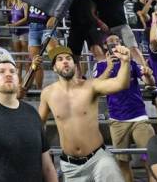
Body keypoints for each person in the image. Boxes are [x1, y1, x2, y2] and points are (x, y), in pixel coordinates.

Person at [38, 45, 130, 181]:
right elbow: (38, 125)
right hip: (70, 167)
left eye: (69, 58)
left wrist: (125, 62)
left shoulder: (90, 86)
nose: (65, 61)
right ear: (54, 67)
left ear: (75, 65)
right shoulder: (47, 93)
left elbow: (121, 83)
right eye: (60, 59)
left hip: (99, 160)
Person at [95, 36, 155, 182]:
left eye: (117, 41)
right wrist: (109, 67)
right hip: (117, 119)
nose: (114, 43)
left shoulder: (132, 63)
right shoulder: (101, 66)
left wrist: (148, 76)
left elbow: (150, 83)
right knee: (122, 162)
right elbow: (96, 88)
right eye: (110, 42)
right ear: (105, 46)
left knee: (150, 158)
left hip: (139, 116)